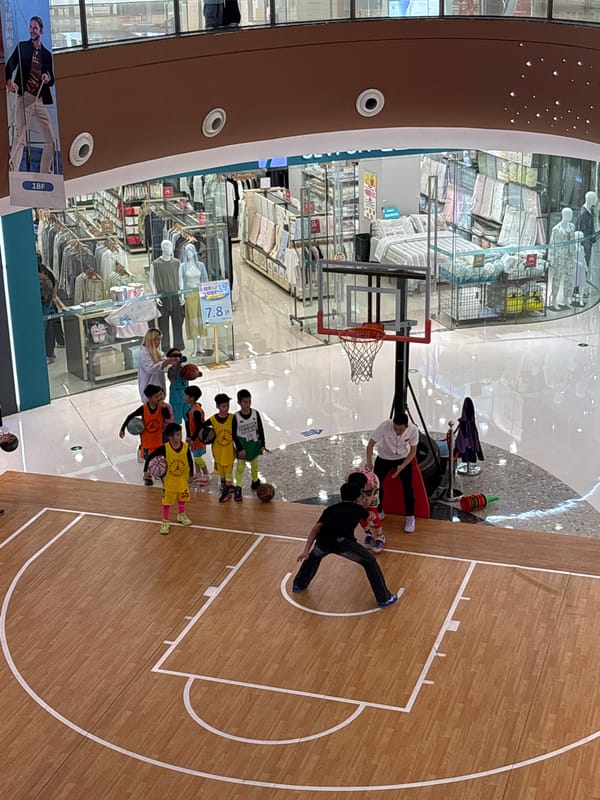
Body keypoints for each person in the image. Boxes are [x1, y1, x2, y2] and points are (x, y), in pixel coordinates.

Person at [293, 482, 397, 609]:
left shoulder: (330, 509)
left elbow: (315, 529)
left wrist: (305, 551)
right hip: (343, 544)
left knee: (313, 557)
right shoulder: (358, 510)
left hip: (323, 542)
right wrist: (374, 494)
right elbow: (370, 514)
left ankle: (298, 584)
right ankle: (384, 598)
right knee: (370, 561)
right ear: (357, 498)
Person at [5, 17, 56, 173]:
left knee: (51, 141)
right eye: (31, 27)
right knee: (20, 136)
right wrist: (9, 81)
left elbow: (52, 79)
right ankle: (14, 170)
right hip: (25, 97)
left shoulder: (47, 54)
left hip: (38, 99)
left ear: (41, 30)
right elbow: (10, 65)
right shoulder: (22, 47)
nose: (32, 30)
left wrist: (47, 78)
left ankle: (45, 172)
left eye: (35, 27)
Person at [366, 411, 419, 533]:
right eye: (395, 428)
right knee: (377, 486)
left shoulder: (413, 430)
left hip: (402, 458)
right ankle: (379, 511)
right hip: (384, 458)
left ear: (407, 426)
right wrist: (369, 463)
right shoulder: (385, 426)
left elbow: (413, 452)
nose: (397, 432)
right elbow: (370, 444)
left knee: (408, 488)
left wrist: (403, 466)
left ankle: (410, 516)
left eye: (400, 430)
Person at [119, 383, 174, 485]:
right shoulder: (143, 408)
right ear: (149, 398)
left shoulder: (161, 407)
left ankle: (160, 473)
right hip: (147, 441)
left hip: (158, 440)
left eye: (160, 395)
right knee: (147, 460)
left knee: (160, 458)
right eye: (156, 396)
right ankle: (147, 475)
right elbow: (130, 416)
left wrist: (164, 407)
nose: (159, 398)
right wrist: (123, 428)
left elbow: (167, 417)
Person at [144, 422, 194, 535]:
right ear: (170, 437)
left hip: (182, 480)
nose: (179, 437)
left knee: (182, 499)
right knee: (166, 502)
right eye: (177, 435)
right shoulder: (165, 448)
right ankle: (165, 521)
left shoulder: (185, 447)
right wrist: (146, 471)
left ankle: (181, 515)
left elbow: (190, 461)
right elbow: (150, 457)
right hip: (169, 482)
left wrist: (191, 474)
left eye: (180, 434)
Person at [232, 388, 269, 501]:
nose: (247, 404)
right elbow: (233, 434)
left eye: (249, 401)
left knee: (254, 464)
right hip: (242, 445)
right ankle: (238, 487)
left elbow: (260, 429)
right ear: (239, 403)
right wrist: (239, 448)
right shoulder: (236, 417)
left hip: (254, 444)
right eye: (245, 402)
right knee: (240, 467)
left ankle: (255, 481)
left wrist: (262, 444)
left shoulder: (255, 413)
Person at [150, 240, 184, 352]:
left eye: (169, 246)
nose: (167, 249)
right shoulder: (155, 264)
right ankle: (165, 348)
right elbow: (151, 280)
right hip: (162, 296)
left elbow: (180, 279)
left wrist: (181, 295)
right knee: (163, 325)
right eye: (165, 246)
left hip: (175, 295)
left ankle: (178, 347)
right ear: (161, 248)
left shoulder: (177, 262)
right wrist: (156, 296)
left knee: (177, 323)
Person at [347, 467, 385, 553]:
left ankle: (380, 536)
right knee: (359, 513)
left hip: (372, 490)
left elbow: (367, 504)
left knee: (372, 513)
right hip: (358, 488)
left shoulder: (372, 483)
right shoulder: (348, 478)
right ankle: (369, 533)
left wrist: (372, 492)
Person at [208, 392, 236, 503]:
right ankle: (224, 485)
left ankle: (227, 490)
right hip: (218, 451)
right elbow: (202, 428)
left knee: (229, 470)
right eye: (223, 406)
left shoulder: (233, 418)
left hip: (229, 451)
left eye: (227, 406)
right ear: (217, 406)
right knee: (221, 471)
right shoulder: (213, 419)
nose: (226, 408)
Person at [137, 327, 178, 401]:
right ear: (152, 340)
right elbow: (151, 369)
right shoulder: (143, 353)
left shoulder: (155, 352)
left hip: (158, 389)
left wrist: (169, 362)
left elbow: (161, 363)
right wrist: (165, 363)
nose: (159, 343)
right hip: (150, 391)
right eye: (158, 340)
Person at [548, 207, 576, 311]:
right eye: (569, 214)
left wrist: (575, 252)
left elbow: (573, 241)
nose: (571, 216)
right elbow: (552, 244)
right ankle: (554, 299)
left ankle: (566, 298)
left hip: (570, 256)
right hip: (559, 256)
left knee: (569, 277)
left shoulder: (572, 227)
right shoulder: (556, 229)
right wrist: (551, 258)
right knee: (557, 278)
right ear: (564, 215)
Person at [183, 385, 211, 485]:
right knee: (195, 456)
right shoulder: (193, 408)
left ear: (192, 398)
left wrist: (192, 438)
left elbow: (200, 427)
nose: (184, 396)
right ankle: (198, 473)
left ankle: (206, 475)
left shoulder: (196, 411)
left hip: (198, 439)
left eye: (186, 395)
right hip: (194, 439)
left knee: (198, 458)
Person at [165, 347, 193, 425]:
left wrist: (194, 372)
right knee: (176, 422)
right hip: (176, 401)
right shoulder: (171, 370)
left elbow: (197, 375)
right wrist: (179, 365)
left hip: (186, 400)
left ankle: (189, 436)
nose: (177, 358)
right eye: (174, 355)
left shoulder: (185, 369)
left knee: (189, 420)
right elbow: (175, 376)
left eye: (179, 355)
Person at [39, 269, 56, 364]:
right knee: (48, 332)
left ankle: (49, 355)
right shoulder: (46, 282)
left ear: (43, 273)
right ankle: (50, 354)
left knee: (47, 333)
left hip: (45, 311)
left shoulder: (47, 283)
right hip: (46, 311)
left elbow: (44, 298)